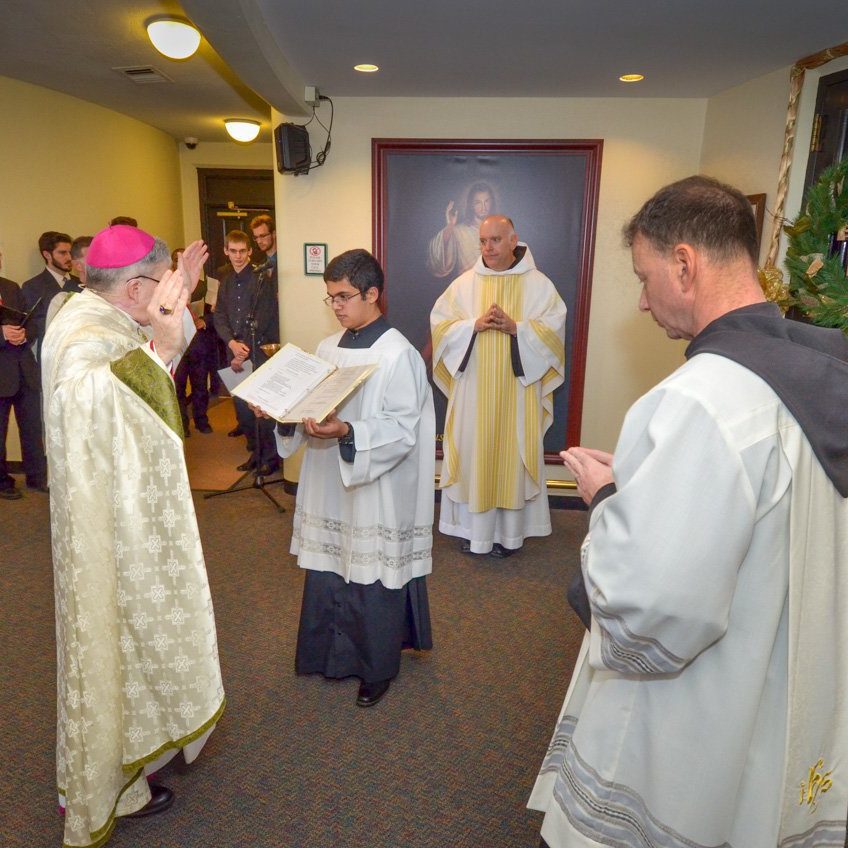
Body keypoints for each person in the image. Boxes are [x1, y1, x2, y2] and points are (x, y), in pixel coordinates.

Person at [528, 176, 848, 848]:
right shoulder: (817, 366)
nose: (642, 302)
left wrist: (610, 501)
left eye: (645, 278)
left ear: (684, 263)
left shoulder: (702, 400)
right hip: (788, 673)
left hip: (700, 701)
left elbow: (654, 609)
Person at [41, 225, 225, 848]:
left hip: (113, 511)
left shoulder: (85, 308)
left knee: (126, 639)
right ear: (136, 286)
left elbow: (134, 362)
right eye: (161, 283)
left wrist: (165, 328)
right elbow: (98, 398)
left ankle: (128, 766)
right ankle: (99, 789)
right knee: (108, 640)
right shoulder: (84, 337)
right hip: (103, 529)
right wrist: (163, 346)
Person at [269, 249, 435, 708]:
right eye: (331, 298)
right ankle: (327, 655)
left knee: (370, 573)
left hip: (376, 485)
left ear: (373, 294)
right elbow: (309, 406)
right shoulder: (326, 348)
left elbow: (404, 430)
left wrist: (348, 431)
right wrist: (285, 415)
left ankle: (374, 668)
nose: (337, 306)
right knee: (329, 565)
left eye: (344, 296)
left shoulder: (399, 354)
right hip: (327, 479)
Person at [430, 215, 566, 557]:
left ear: (512, 240)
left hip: (517, 394)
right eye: (483, 241)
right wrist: (472, 326)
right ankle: (472, 533)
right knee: (474, 453)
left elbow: (553, 330)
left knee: (512, 456)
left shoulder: (539, 285)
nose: (488, 247)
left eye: (495, 240)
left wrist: (517, 328)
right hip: (473, 391)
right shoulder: (464, 284)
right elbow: (441, 325)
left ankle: (509, 537)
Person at [214, 229, 279, 474]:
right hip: (235, 350)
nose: (238, 256)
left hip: (258, 352)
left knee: (260, 408)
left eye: (243, 251)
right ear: (226, 251)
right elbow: (219, 315)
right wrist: (231, 343)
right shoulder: (226, 281)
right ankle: (255, 452)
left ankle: (270, 458)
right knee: (242, 409)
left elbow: (264, 316)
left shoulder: (262, 279)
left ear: (250, 252)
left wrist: (245, 350)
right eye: (233, 251)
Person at [0, 250, 47, 498]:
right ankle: (2, 483)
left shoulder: (11, 287)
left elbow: (31, 322)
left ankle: (37, 477)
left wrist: (24, 334)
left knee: (32, 429)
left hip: (24, 371)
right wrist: (2, 335)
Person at [172, 247, 214, 435]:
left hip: (199, 343)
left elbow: (217, 312)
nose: (178, 264)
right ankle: (183, 422)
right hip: (177, 345)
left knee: (199, 385)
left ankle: (201, 420)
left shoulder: (205, 286)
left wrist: (204, 320)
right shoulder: (166, 287)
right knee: (178, 387)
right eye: (175, 260)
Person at [21, 231, 79, 361]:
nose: (69, 257)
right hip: (50, 356)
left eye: (70, 252)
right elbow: (30, 328)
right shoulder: (32, 287)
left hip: (81, 352)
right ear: (47, 254)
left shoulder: (81, 283)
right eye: (62, 253)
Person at [427, 181, 496, 279]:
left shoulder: (498, 229)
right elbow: (440, 262)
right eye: (478, 203)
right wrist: (450, 225)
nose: (483, 207)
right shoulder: (459, 231)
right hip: (469, 287)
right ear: (471, 205)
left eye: (487, 201)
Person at [250, 213, 277, 283]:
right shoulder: (259, 264)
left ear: (273, 234)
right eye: (256, 237)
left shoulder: (286, 260)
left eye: (262, 236)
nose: (259, 241)